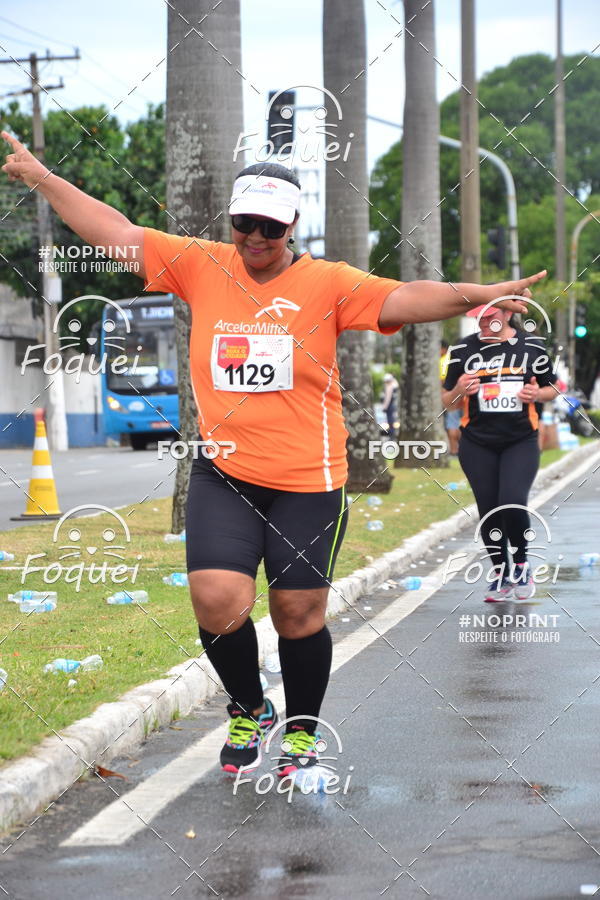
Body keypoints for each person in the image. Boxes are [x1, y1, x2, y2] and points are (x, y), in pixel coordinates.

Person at [2, 131, 543, 776]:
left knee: (296, 610)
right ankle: (251, 707)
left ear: (291, 226)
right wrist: (42, 176)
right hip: (224, 471)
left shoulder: (330, 283)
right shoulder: (202, 265)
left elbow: (404, 297)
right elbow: (114, 231)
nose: (254, 237)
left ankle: (304, 731)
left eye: (270, 226)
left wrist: (482, 293)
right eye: (243, 223)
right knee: (216, 600)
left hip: (308, 481)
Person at [441, 304, 557, 602]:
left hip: (520, 438)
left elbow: (553, 389)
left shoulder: (532, 346)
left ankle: (521, 564)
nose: (483, 323)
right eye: (478, 319)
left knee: (513, 502)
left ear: (507, 314)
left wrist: (536, 394)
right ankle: (501, 573)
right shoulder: (462, 350)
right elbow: (447, 401)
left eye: (490, 317)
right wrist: (460, 390)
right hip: (477, 441)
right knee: (489, 509)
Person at [440, 340, 460, 454]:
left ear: (443, 349)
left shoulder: (444, 360)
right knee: (463, 423)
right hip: (464, 395)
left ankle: (454, 450)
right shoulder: (461, 357)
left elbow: (443, 380)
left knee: (452, 423)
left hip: (451, 396)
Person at [381, 372, 399, 438]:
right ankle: (392, 433)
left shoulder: (389, 387)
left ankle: (392, 434)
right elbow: (396, 383)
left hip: (389, 406)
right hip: (392, 405)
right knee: (391, 419)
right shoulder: (394, 385)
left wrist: (384, 407)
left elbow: (387, 398)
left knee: (390, 420)